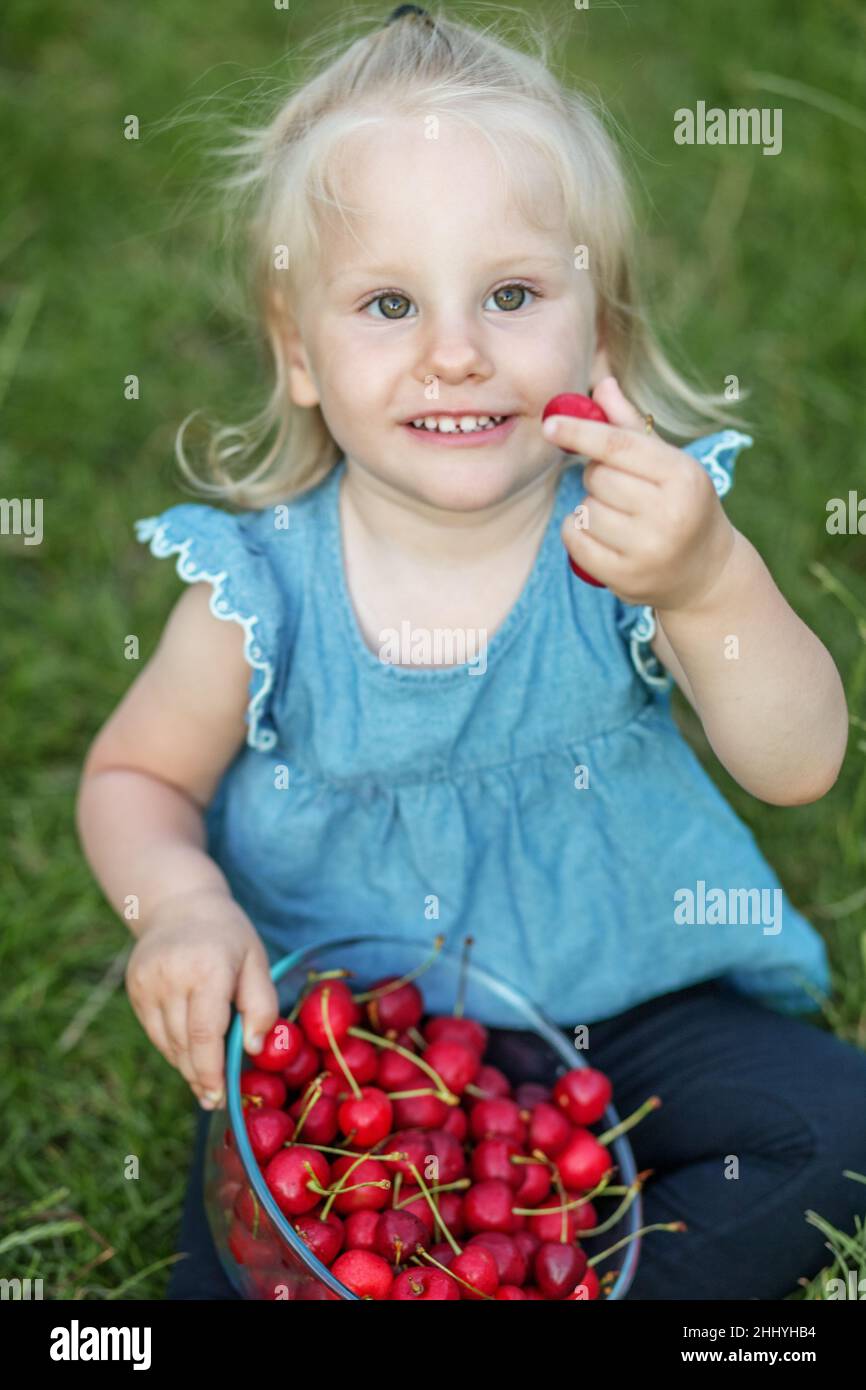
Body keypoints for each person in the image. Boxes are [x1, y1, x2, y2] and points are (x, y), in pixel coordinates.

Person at [76, 5, 865, 1300]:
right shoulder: (255, 595)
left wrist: (711, 577)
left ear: (594, 334)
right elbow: (134, 780)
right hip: (348, 1043)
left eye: (510, 294)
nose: (455, 349)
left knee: (831, 1130)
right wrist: (178, 905)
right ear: (299, 351)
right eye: (388, 302)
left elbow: (798, 762)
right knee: (244, 1260)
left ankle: (570, 1276)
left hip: (623, 999)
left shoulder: (628, 547)